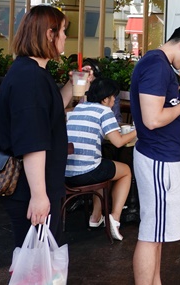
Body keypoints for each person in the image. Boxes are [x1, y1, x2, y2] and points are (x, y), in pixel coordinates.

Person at [130, 23, 180, 285]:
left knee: (158, 233)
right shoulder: (155, 65)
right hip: (158, 158)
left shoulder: (164, 66)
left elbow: (164, 109)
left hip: (165, 157)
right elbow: (152, 119)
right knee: (151, 234)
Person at [0, 5, 75, 248]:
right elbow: (33, 140)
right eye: (62, 31)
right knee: (34, 263)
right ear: (49, 34)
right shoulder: (30, 78)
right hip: (30, 188)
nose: (65, 37)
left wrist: (73, 84)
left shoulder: (32, 71)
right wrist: (40, 196)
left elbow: (48, 111)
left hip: (36, 185)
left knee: (35, 260)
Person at [65, 77, 136, 241]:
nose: (114, 101)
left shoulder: (79, 108)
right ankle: (115, 217)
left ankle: (96, 217)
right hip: (85, 173)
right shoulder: (104, 111)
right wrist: (138, 130)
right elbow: (118, 142)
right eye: (113, 97)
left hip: (65, 173)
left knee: (105, 166)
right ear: (105, 98)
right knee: (125, 171)